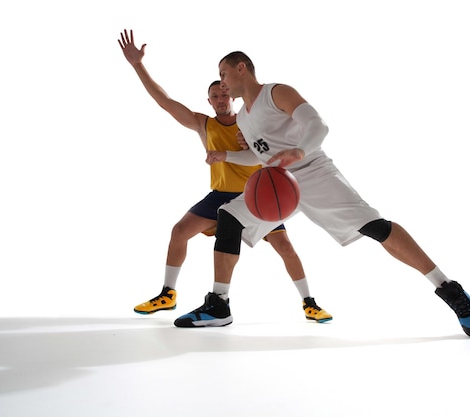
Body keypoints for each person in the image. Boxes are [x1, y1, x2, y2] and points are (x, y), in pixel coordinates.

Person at [174, 51, 470, 337]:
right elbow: (260, 157)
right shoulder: (243, 116)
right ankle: (218, 305)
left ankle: (449, 289)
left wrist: (299, 150)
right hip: (279, 182)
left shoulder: (276, 92)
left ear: (241, 68)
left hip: (313, 172)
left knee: (375, 227)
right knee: (229, 215)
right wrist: (226, 156)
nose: (223, 83)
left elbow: (318, 125)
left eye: (224, 74)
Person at [118, 30, 332, 325]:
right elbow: (165, 101)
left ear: (230, 92)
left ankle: (310, 302)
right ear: (209, 100)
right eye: (214, 95)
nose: (220, 98)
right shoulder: (203, 125)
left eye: (223, 91)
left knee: (285, 247)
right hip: (219, 195)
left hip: (255, 195)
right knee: (179, 231)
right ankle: (168, 294)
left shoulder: (250, 120)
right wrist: (137, 65)